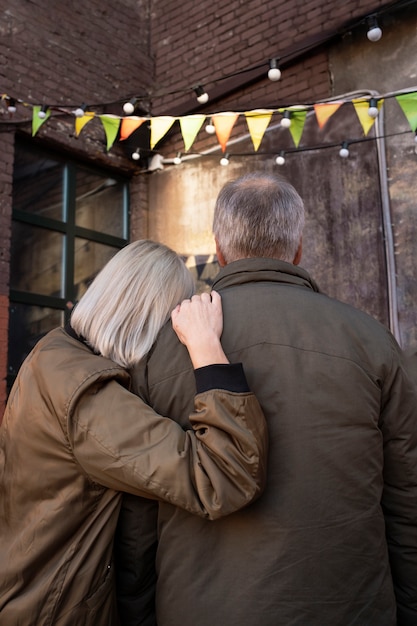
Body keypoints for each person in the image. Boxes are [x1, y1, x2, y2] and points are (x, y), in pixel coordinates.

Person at [115, 174, 417, 626]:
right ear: (298, 248)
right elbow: (406, 498)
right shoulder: (372, 341)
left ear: (218, 248)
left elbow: (138, 510)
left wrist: (138, 612)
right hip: (351, 606)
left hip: (200, 607)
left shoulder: (159, 352)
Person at [0, 239, 268, 626]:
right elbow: (226, 476)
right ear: (150, 318)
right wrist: (205, 346)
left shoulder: (55, 354)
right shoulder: (86, 397)